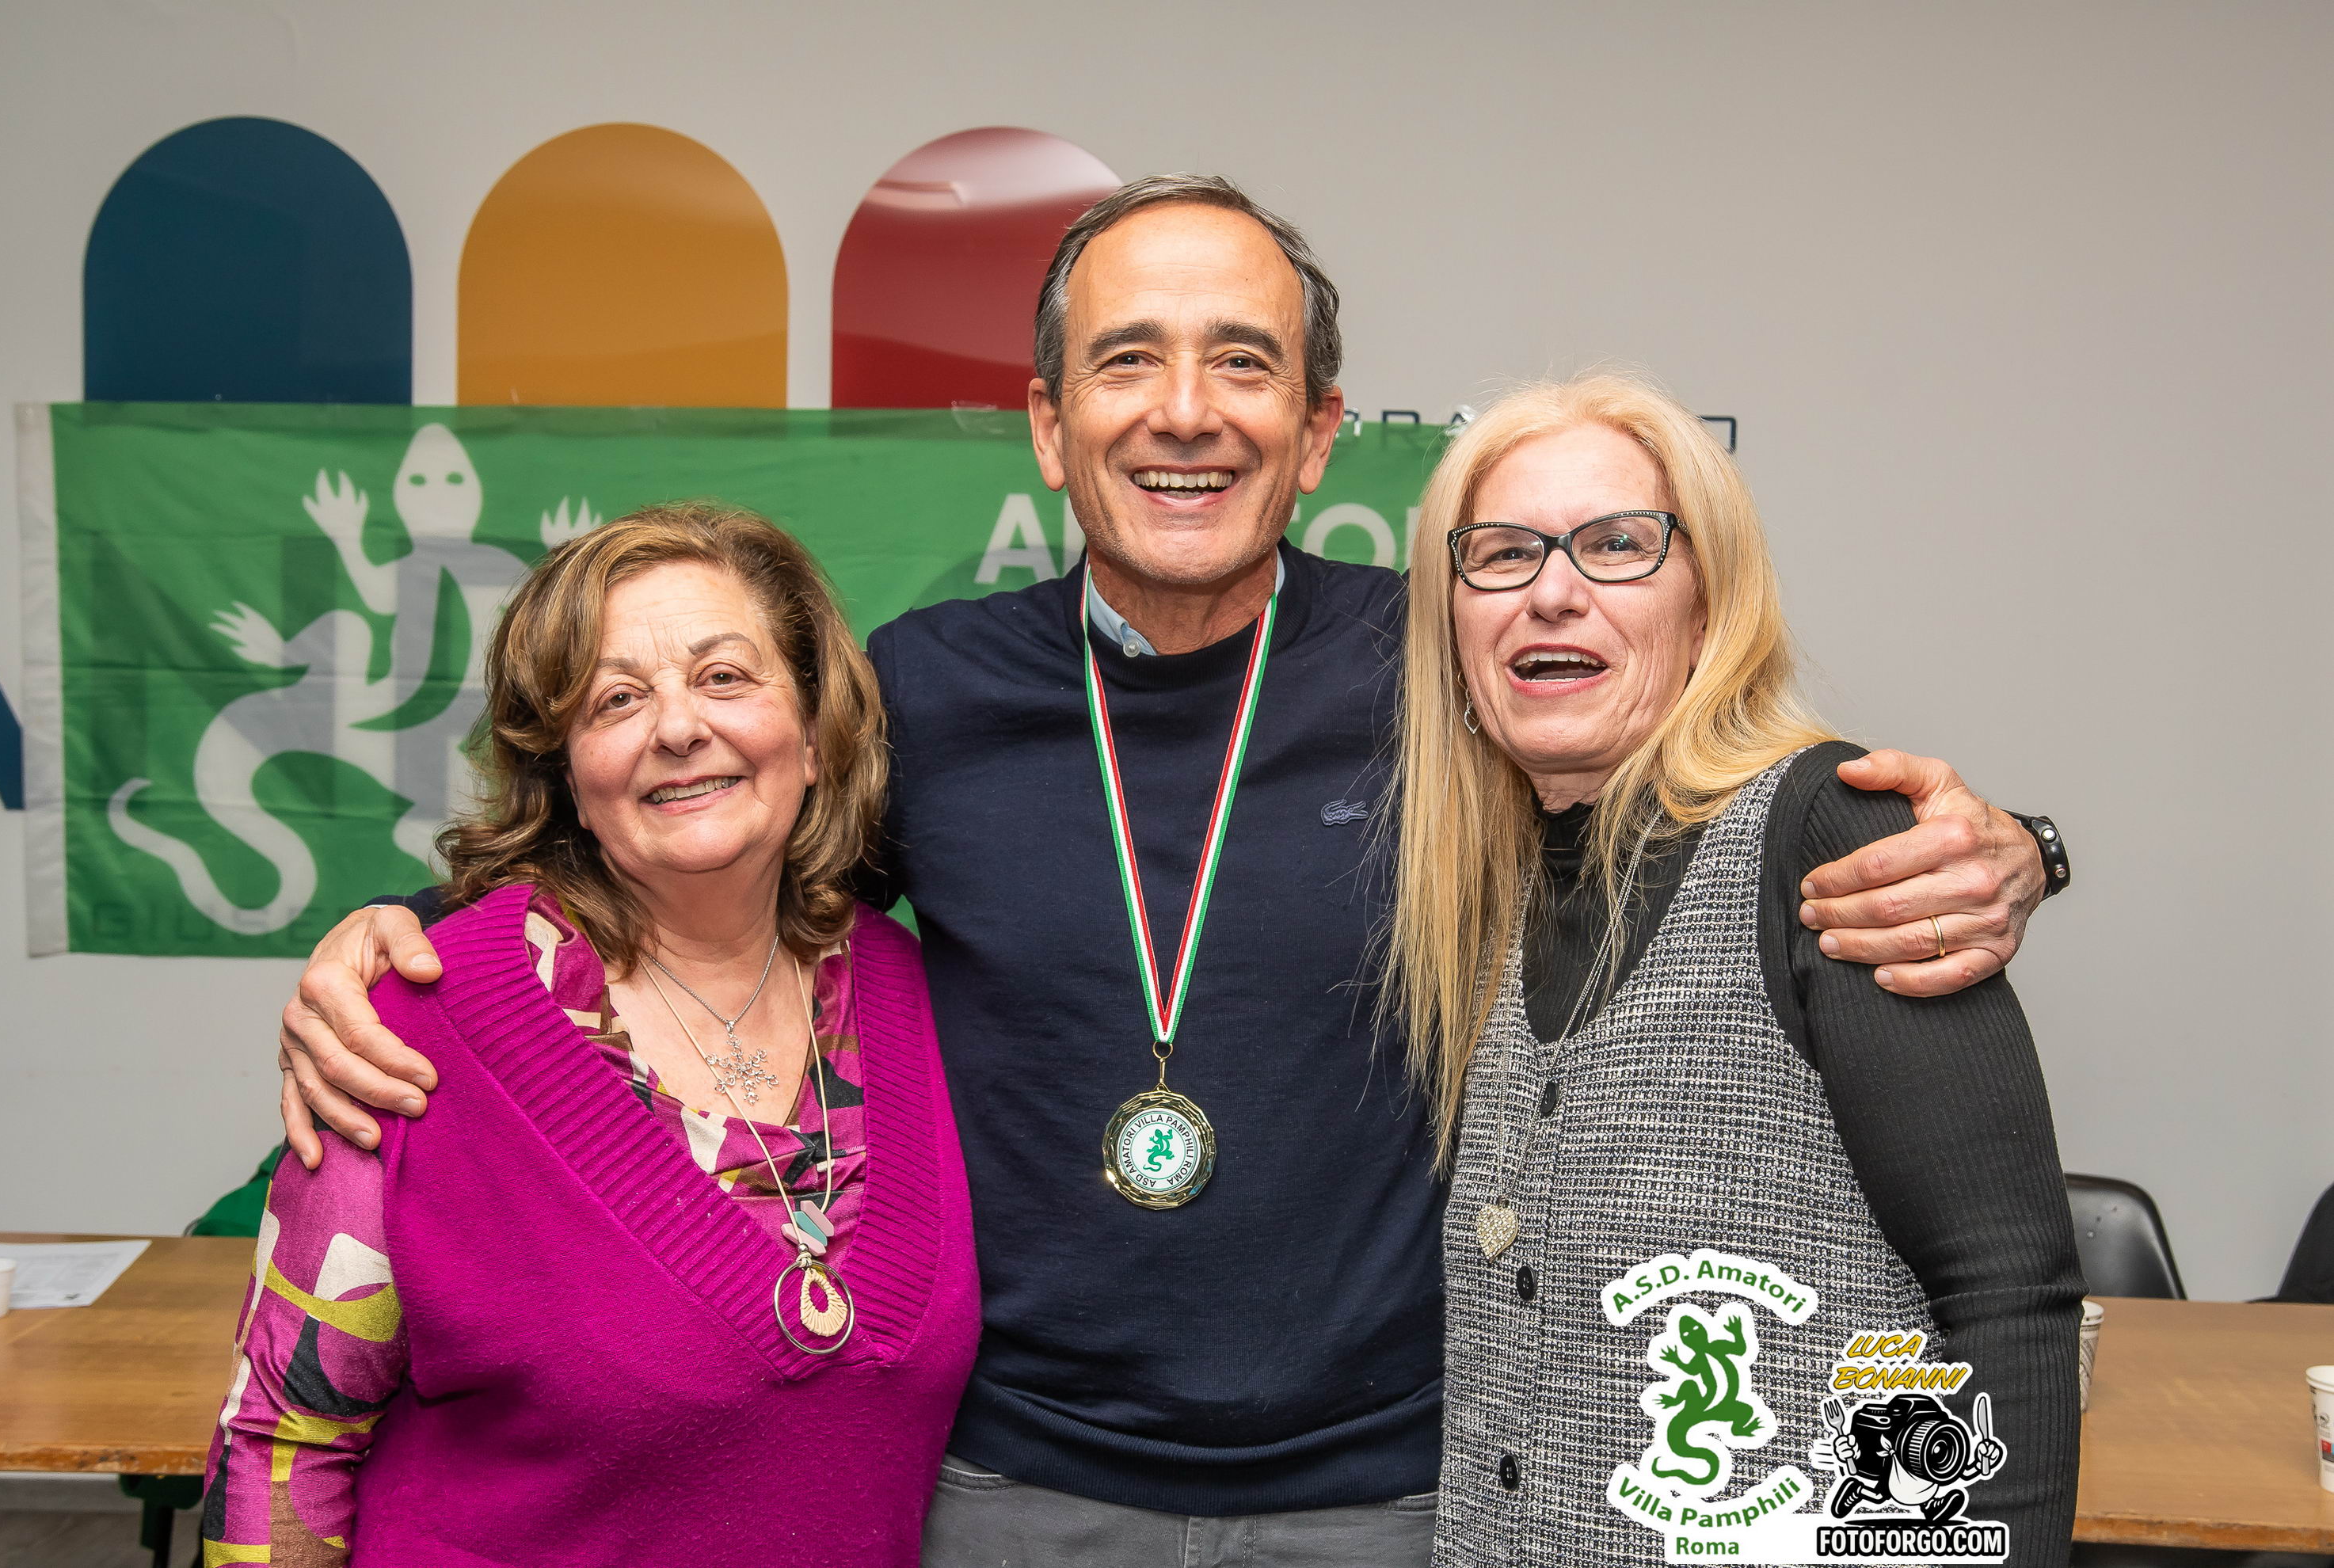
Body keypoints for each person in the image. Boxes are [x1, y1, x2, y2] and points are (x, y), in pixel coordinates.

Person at [267, 178, 2063, 1566]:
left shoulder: (1448, 664)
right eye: (1127, 361)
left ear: (1319, 428)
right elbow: (696, 854)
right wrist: (396, 940)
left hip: (1396, 1496)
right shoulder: (922, 692)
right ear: (1049, 426)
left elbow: (1692, 788)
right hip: (1012, 1492)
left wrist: (2008, 848)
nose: (1183, 412)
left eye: (1242, 363)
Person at [201, 504, 978, 1567]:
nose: (677, 728)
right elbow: (282, 1444)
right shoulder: (406, 1030)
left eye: (724, 677)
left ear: (812, 732)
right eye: (616, 699)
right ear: (566, 771)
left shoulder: (922, 995)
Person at [1390, 376, 2080, 1566]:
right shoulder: (1486, 888)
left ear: (1709, 600)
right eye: (1501, 553)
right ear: (1452, 620)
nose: (1552, 591)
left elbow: (2002, 1290)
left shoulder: (1828, 836)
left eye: (1618, 546)